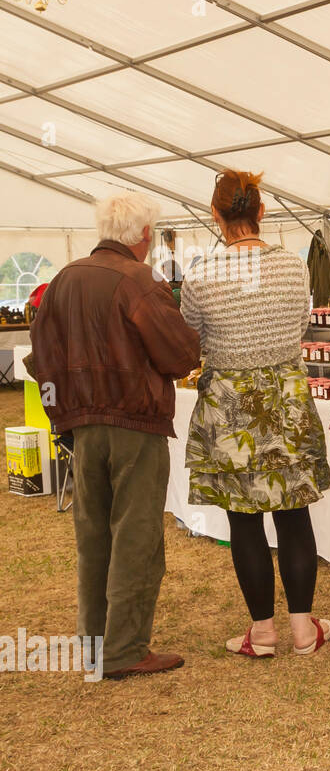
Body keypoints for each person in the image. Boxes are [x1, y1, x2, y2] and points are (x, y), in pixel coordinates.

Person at [26, 193, 201, 678]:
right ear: (144, 236)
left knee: (93, 534)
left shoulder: (63, 279)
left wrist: (61, 409)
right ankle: (124, 650)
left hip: (82, 425)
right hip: (134, 424)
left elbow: (41, 353)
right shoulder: (140, 281)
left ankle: (94, 644)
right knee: (135, 535)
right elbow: (180, 354)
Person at [182, 170, 330, 659]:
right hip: (286, 399)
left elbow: (191, 343)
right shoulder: (293, 266)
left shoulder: (201, 274)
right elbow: (300, 325)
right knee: (294, 517)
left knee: (243, 522)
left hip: (228, 405)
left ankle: (262, 633)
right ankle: (304, 631)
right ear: (261, 211)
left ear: (215, 214)